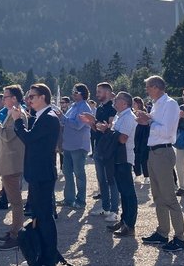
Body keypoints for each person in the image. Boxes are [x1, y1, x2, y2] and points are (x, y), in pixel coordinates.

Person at [136, 75, 184, 252]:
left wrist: (148, 120)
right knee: (158, 196)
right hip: (154, 152)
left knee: (169, 197)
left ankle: (180, 238)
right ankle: (162, 232)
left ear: (157, 87)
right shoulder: (157, 104)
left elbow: (167, 131)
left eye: (148, 87)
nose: (147, 91)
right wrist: (147, 119)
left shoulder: (170, 104)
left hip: (163, 151)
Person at [13, 83, 61, 265]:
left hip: (42, 173)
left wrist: (18, 121)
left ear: (43, 97)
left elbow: (29, 138)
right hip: (37, 172)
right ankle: (43, 252)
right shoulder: (41, 116)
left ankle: (49, 257)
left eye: (32, 96)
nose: (28, 100)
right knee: (40, 215)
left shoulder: (49, 117)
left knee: (44, 216)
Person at [0, 84, 26, 250]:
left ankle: (17, 235)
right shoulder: (12, 112)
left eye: (5, 96)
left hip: (12, 163)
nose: (2, 98)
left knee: (15, 202)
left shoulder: (18, 114)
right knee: (14, 201)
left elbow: (7, 136)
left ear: (14, 98)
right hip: (9, 161)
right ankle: (14, 230)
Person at [79, 82, 119, 223]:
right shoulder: (100, 108)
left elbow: (109, 128)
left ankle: (114, 210)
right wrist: (90, 123)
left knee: (111, 180)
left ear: (107, 92)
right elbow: (98, 129)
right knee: (101, 179)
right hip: (99, 147)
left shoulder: (113, 109)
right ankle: (105, 207)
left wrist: (93, 121)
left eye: (99, 91)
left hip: (109, 149)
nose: (97, 94)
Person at [105, 92, 138, 238]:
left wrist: (107, 130)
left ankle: (129, 225)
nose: (114, 101)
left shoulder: (129, 117)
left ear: (125, 103)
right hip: (118, 157)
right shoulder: (120, 115)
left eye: (117, 99)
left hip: (124, 158)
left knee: (128, 193)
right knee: (123, 192)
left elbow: (123, 138)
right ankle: (124, 221)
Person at [59, 83, 92, 209]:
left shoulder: (85, 108)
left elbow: (78, 125)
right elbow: (66, 121)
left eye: (75, 92)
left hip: (78, 146)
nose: (73, 94)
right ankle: (69, 199)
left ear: (81, 94)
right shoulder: (73, 106)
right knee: (67, 172)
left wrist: (64, 118)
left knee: (79, 174)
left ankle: (81, 200)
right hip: (68, 145)